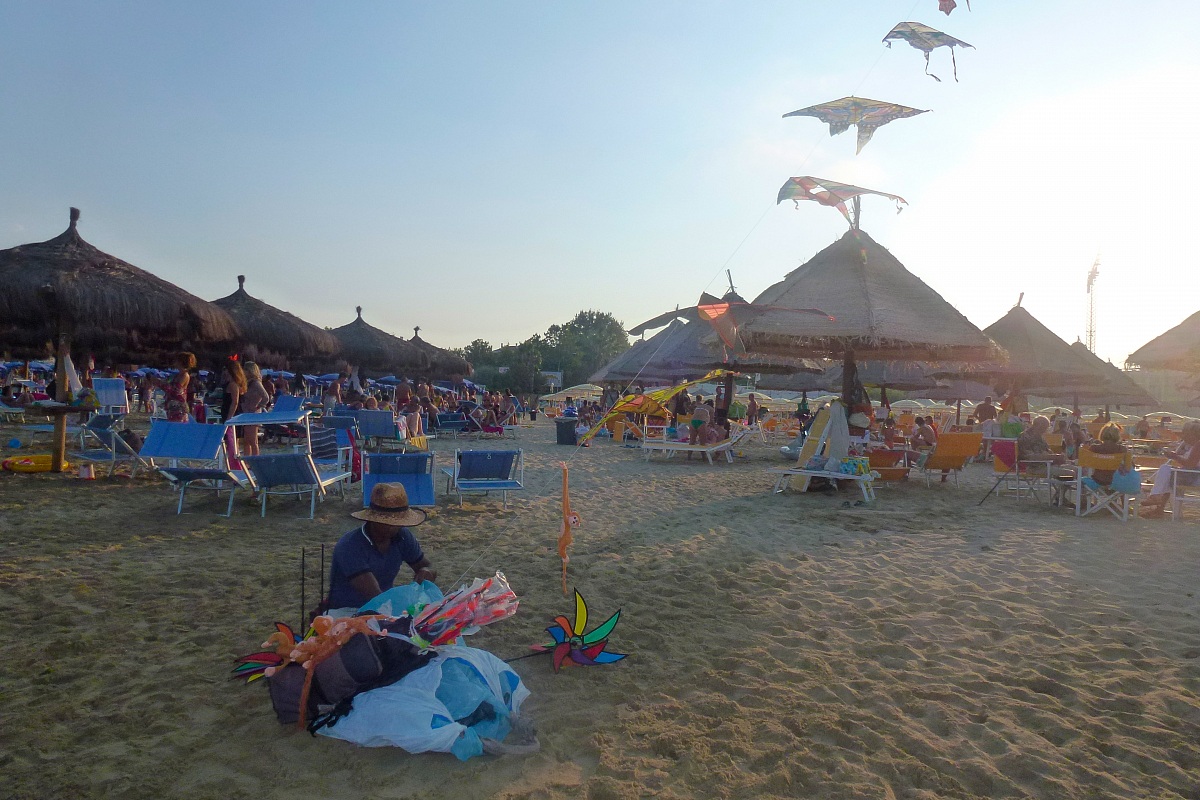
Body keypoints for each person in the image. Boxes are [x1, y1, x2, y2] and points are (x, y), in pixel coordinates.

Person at [324, 483, 437, 613]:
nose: (394, 527)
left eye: (399, 522)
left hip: (384, 604)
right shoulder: (350, 545)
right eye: (388, 522)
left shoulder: (402, 536)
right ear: (373, 520)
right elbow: (374, 594)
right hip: (348, 610)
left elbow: (428, 566)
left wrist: (427, 571)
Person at [1141, 421, 1200, 517]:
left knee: (1165, 470)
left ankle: (1155, 498)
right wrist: (1177, 452)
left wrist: (1175, 456)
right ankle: (1159, 507)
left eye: (1187, 433)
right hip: (1191, 474)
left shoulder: (1198, 445)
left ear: (1194, 434)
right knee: (1167, 475)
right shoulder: (1191, 445)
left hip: (1194, 476)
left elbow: (1190, 464)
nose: (1184, 435)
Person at [239, 361, 270, 456]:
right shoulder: (248, 383)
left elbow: (266, 397)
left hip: (253, 414)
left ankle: (255, 460)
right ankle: (247, 461)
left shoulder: (256, 383)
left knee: (253, 441)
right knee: (246, 441)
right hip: (246, 413)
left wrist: (258, 406)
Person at [1082, 422, 1127, 486]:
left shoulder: (1094, 448)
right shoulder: (1122, 449)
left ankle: (1083, 496)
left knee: (1082, 480)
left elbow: (1084, 463)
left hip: (1097, 480)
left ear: (1102, 434)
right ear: (1117, 435)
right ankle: (1118, 495)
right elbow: (1129, 466)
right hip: (1115, 482)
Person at [164, 352, 196, 422]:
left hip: (179, 408)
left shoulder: (185, 375)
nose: (175, 362)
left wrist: (160, 384)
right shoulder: (177, 375)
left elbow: (176, 391)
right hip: (172, 407)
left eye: (176, 360)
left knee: (177, 429)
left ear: (181, 362)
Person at [219, 357, 247, 424]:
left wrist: (229, 419)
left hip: (231, 414)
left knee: (231, 433)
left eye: (226, 369)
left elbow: (235, 402)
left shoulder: (233, 384)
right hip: (228, 412)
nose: (225, 372)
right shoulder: (231, 383)